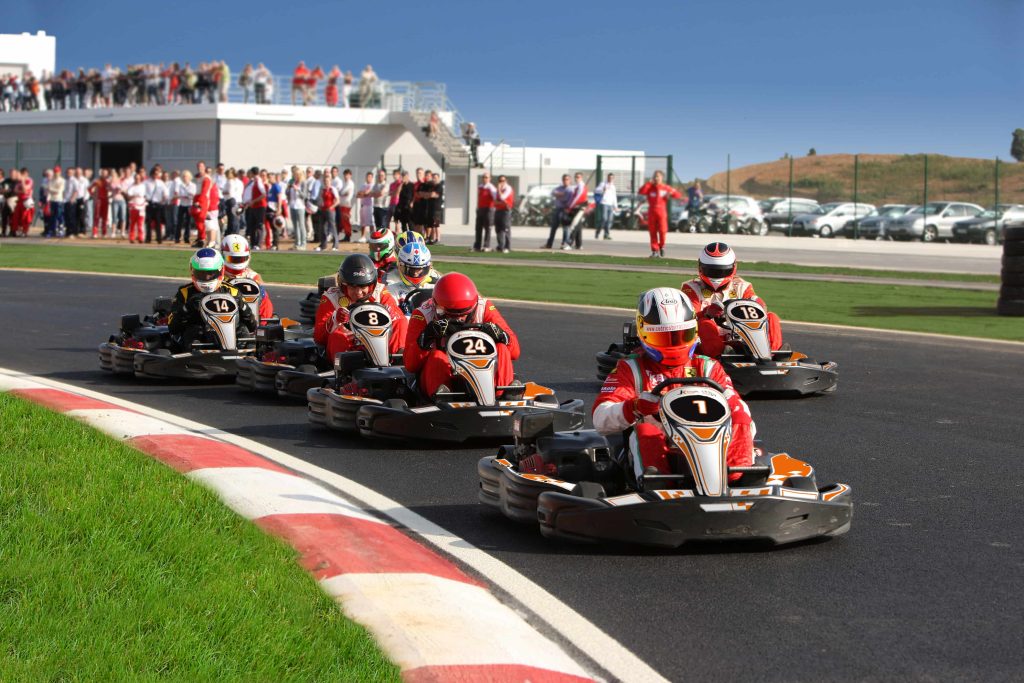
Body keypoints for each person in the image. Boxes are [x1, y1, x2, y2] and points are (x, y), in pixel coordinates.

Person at [592, 287, 754, 478]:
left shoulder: (708, 367)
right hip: (660, 449)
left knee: (740, 415)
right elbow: (600, 419)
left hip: (708, 441)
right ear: (643, 333)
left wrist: (733, 406)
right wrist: (634, 407)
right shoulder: (631, 368)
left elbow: (742, 413)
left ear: (694, 330)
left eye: (681, 335)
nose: (673, 344)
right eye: (662, 337)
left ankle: (739, 476)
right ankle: (657, 484)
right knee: (646, 429)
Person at [404, 273, 520, 398]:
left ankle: (503, 393)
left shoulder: (484, 308)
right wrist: (426, 337)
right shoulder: (422, 314)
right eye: (451, 314)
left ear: (473, 306)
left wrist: (501, 335)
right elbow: (410, 365)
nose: (458, 319)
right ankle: (443, 397)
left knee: (501, 348)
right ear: (437, 306)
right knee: (436, 355)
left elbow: (515, 352)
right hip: (445, 373)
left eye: (463, 313)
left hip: (481, 365)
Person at [681, 242, 784, 358]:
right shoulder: (691, 288)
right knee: (704, 323)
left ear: (733, 267)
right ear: (701, 267)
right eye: (712, 271)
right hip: (708, 343)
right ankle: (719, 354)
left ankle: (772, 352)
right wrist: (707, 313)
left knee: (771, 317)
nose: (717, 276)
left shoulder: (742, 286)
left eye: (722, 271)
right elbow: (687, 319)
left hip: (741, 337)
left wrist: (759, 305)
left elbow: (759, 305)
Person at [167, 248, 257, 352]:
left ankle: (248, 356)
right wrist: (187, 308)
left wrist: (242, 306)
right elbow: (172, 327)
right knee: (193, 331)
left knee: (243, 330)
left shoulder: (232, 291)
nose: (206, 277)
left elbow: (252, 325)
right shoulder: (185, 293)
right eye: (201, 274)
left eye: (211, 273)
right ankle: (196, 357)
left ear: (220, 271)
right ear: (193, 272)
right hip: (200, 337)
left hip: (230, 335)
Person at [314, 253, 406, 352]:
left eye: (363, 286)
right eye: (353, 287)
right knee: (338, 336)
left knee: (400, 321)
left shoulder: (380, 292)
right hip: (347, 345)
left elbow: (398, 317)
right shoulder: (331, 297)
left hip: (378, 338)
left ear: (371, 285)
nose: (358, 292)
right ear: (344, 284)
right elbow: (319, 337)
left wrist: (392, 315)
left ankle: (397, 357)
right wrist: (335, 318)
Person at [221, 234, 274, 319]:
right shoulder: (217, 275)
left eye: (240, 259)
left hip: (249, 315)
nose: (237, 262)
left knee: (263, 293)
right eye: (232, 259)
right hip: (225, 312)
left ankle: (263, 321)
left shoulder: (253, 276)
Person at [385, 242, 443, 314]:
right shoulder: (391, 290)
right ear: (400, 266)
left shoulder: (435, 289)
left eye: (419, 269)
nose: (415, 273)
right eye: (411, 269)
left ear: (428, 267)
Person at [637, 170, 681, 258]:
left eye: (658, 176)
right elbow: (641, 191)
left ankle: (662, 246)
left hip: (661, 212)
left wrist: (671, 193)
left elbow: (677, 195)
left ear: (662, 178)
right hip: (652, 212)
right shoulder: (650, 188)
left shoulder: (666, 188)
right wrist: (648, 183)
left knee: (662, 231)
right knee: (652, 231)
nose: (656, 178)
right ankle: (654, 250)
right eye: (655, 176)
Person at [542, 174, 574, 249]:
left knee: (565, 228)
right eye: (564, 179)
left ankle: (565, 243)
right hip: (557, 209)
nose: (565, 181)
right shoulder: (560, 188)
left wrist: (560, 195)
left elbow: (566, 199)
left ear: (570, 180)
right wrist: (560, 194)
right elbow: (553, 192)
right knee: (553, 227)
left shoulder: (571, 189)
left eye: (567, 179)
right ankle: (549, 244)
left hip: (565, 210)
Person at [564, 172, 588, 250]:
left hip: (580, 208)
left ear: (581, 178)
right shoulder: (577, 186)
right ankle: (579, 244)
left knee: (574, 225)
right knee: (578, 226)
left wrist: (570, 207)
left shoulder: (581, 186)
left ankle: (569, 244)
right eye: (576, 177)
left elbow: (578, 197)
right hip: (578, 208)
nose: (577, 178)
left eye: (578, 177)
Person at [473, 172, 496, 252]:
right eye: (483, 177)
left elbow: (495, 198)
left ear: (490, 179)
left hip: (489, 209)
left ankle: (486, 245)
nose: (485, 179)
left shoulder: (491, 188)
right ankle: (477, 246)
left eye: (486, 177)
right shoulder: (480, 187)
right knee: (478, 228)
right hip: (480, 209)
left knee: (487, 228)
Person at [493, 175, 514, 253]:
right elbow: (495, 201)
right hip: (498, 210)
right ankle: (500, 246)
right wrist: (501, 202)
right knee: (498, 229)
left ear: (506, 181)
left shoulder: (508, 188)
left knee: (505, 228)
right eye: (500, 181)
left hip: (505, 210)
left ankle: (507, 247)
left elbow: (502, 197)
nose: (501, 182)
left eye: (503, 180)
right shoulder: (498, 190)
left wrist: (499, 189)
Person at [595, 173, 617, 240]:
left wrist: (615, 206)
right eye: (609, 178)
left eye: (612, 178)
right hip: (604, 203)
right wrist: (602, 189)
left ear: (613, 179)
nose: (610, 179)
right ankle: (598, 231)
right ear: (607, 178)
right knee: (604, 219)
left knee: (609, 220)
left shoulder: (613, 186)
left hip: (611, 204)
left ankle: (606, 235)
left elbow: (614, 196)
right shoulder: (603, 184)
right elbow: (596, 190)